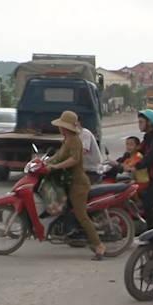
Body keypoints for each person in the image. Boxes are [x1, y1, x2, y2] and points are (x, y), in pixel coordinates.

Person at [47, 111, 107, 260]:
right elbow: (58, 156)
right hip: (69, 182)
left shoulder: (74, 140)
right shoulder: (67, 140)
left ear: (65, 127)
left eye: (61, 125)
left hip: (78, 183)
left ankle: (99, 246)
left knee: (81, 215)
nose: (59, 128)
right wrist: (45, 162)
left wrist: (57, 166)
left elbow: (74, 159)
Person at [124, 109, 153, 218]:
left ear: (149, 123)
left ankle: (151, 226)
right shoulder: (148, 138)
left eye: (141, 122)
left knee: (150, 206)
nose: (139, 124)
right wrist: (119, 162)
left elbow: (150, 157)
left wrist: (136, 166)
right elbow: (137, 151)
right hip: (148, 176)